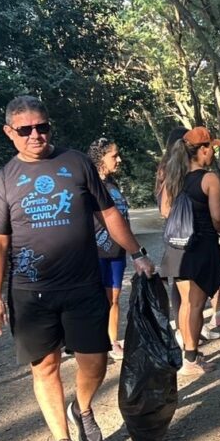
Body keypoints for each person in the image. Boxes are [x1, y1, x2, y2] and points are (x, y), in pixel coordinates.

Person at [0, 95, 156, 441]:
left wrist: (137, 253)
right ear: (10, 133)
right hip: (30, 291)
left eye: (42, 126)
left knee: (94, 363)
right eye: (25, 130)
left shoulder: (76, 163)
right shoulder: (3, 181)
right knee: (44, 366)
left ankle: (84, 406)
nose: (35, 135)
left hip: (82, 285)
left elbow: (108, 214)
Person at [159, 127, 220, 376]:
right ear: (202, 150)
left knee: (185, 304)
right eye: (211, 148)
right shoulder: (209, 179)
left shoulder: (172, 178)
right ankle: (191, 358)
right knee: (197, 304)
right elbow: (218, 216)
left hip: (177, 246)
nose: (213, 153)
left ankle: (189, 354)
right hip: (200, 246)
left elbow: (165, 212)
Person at [87, 137, 130, 360]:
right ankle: (93, 343)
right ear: (100, 158)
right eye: (114, 155)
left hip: (117, 252)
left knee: (114, 298)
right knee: (96, 300)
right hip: (95, 253)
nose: (119, 159)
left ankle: (112, 341)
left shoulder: (113, 185)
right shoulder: (88, 185)